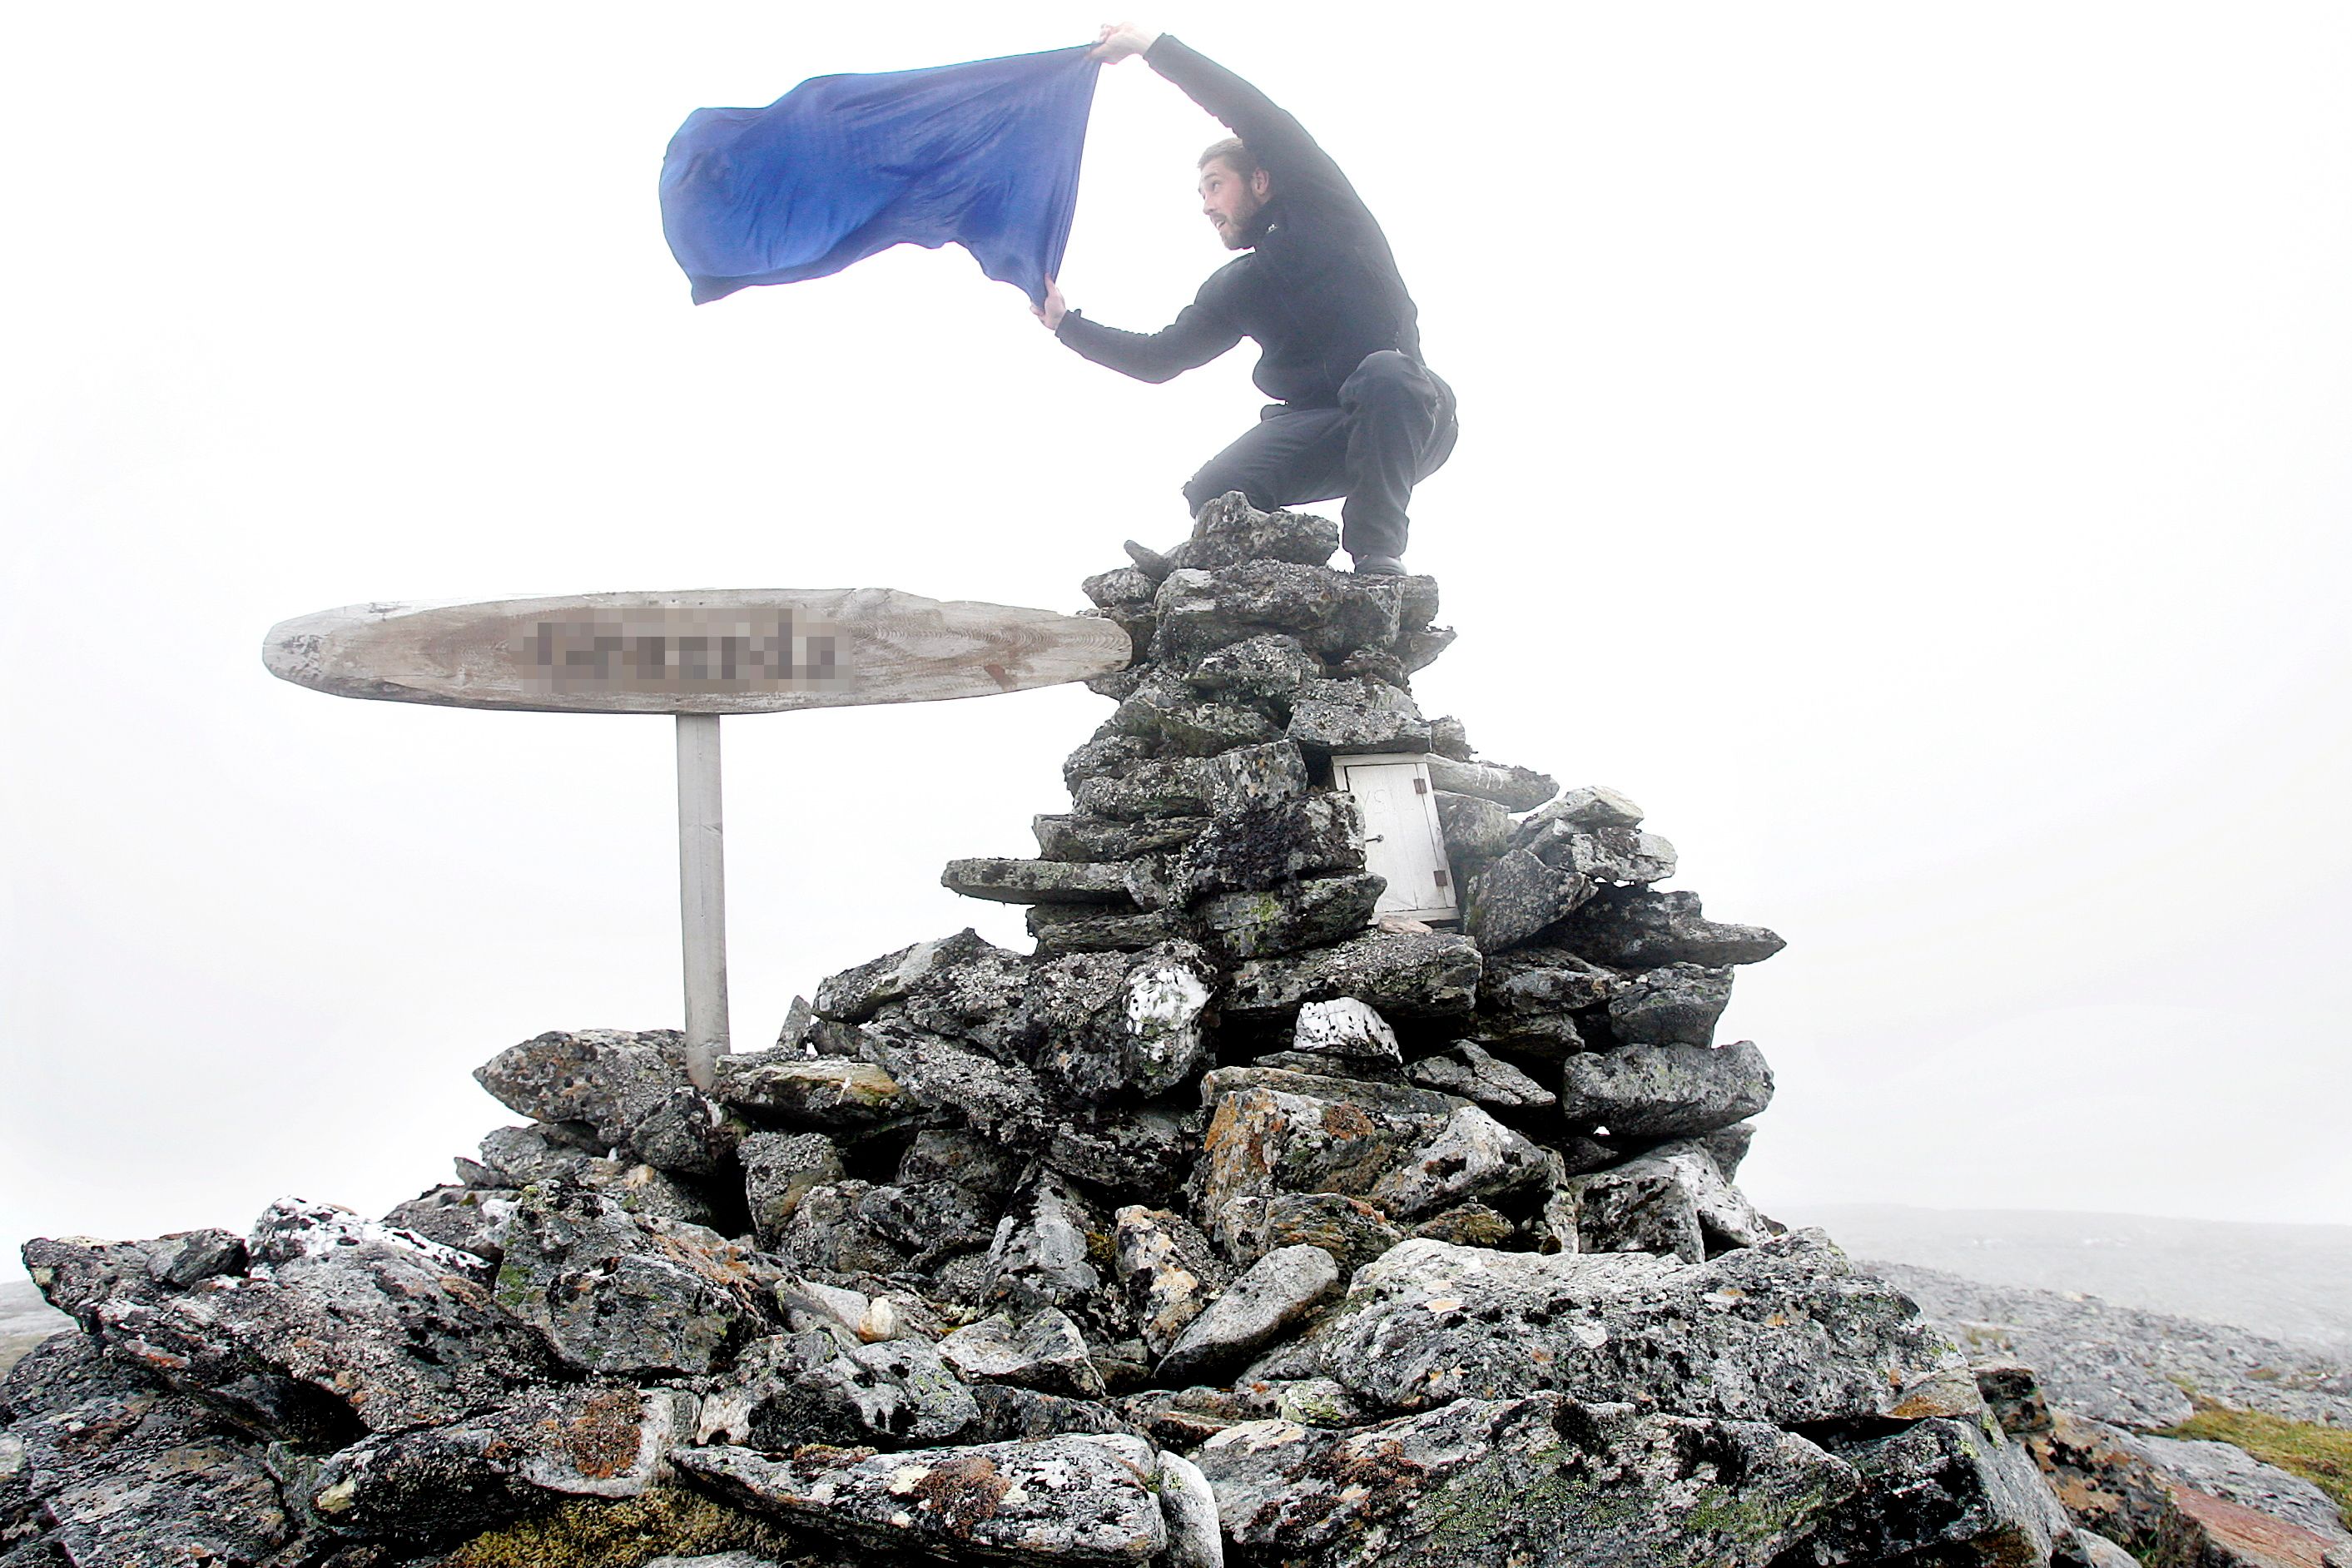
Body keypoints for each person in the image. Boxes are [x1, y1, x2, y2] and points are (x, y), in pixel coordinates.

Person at [1035, 23, 1456, 576]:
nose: (1206, 205)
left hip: (1409, 412)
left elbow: (1254, 114)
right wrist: (1067, 326)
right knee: (1214, 489)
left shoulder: (1327, 213)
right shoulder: (1237, 287)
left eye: (1215, 185)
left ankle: (1376, 556)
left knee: (1385, 374)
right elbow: (1160, 359)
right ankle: (1257, 575)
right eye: (1201, 193)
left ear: (1260, 180)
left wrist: (1149, 47)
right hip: (1321, 427)